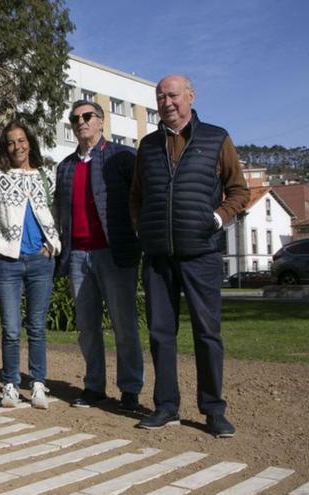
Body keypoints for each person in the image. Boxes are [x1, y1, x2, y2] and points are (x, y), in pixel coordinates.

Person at [130, 75, 249, 437]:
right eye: (161, 97)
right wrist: (141, 229)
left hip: (201, 255)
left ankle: (213, 410)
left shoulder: (216, 138)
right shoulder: (148, 145)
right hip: (158, 258)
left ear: (191, 97)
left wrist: (216, 218)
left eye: (173, 95)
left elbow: (239, 191)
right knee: (161, 334)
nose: (167, 102)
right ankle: (166, 407)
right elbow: (136, 196)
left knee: (207, 333)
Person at [54, 100, 144, 411]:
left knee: (124, 324)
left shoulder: (122, 157)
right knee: (87, 327)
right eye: (75, 118)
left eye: (87, 116)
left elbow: (141, 198)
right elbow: (59, 213)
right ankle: (94, 386)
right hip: (78, 256)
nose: (81, 122)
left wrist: (139, 236)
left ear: (101, 121)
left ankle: (130, 389)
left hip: (114, 253)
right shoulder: (65, 167)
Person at [0, 121, 60, 409]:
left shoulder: (44, 175)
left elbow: (54, 211)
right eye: (11, 142)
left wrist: (53, 242)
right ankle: (11, 384)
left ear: (30, 142)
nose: (17, 146)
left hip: (40, 261)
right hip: (7, 262)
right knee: (11, 329)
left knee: (37, 327)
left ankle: (38, 383)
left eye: (22, 140)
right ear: (5, 147)